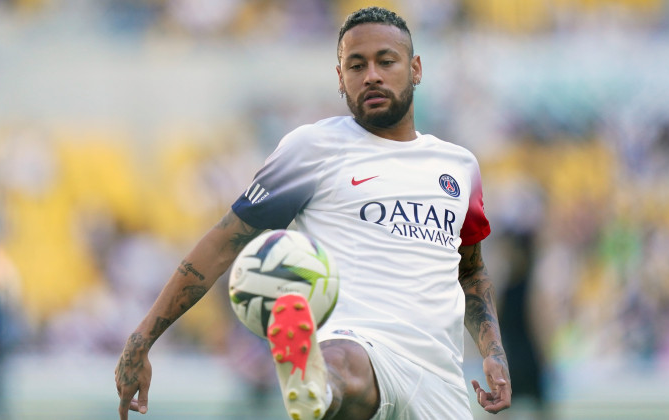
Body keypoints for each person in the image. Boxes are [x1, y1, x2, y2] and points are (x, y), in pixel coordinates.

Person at [115, 6, 512, 420]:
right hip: (361, 351)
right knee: (338, 359)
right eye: (355, 65)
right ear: (341, 79)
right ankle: (313, 386)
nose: (371, 75)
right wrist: (143, 337)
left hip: (440, 382)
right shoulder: (314, 148)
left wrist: (493, 352)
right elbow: (224, 241)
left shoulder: (459, 166)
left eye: (385, 61)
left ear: (415, 69)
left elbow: (469, 271)